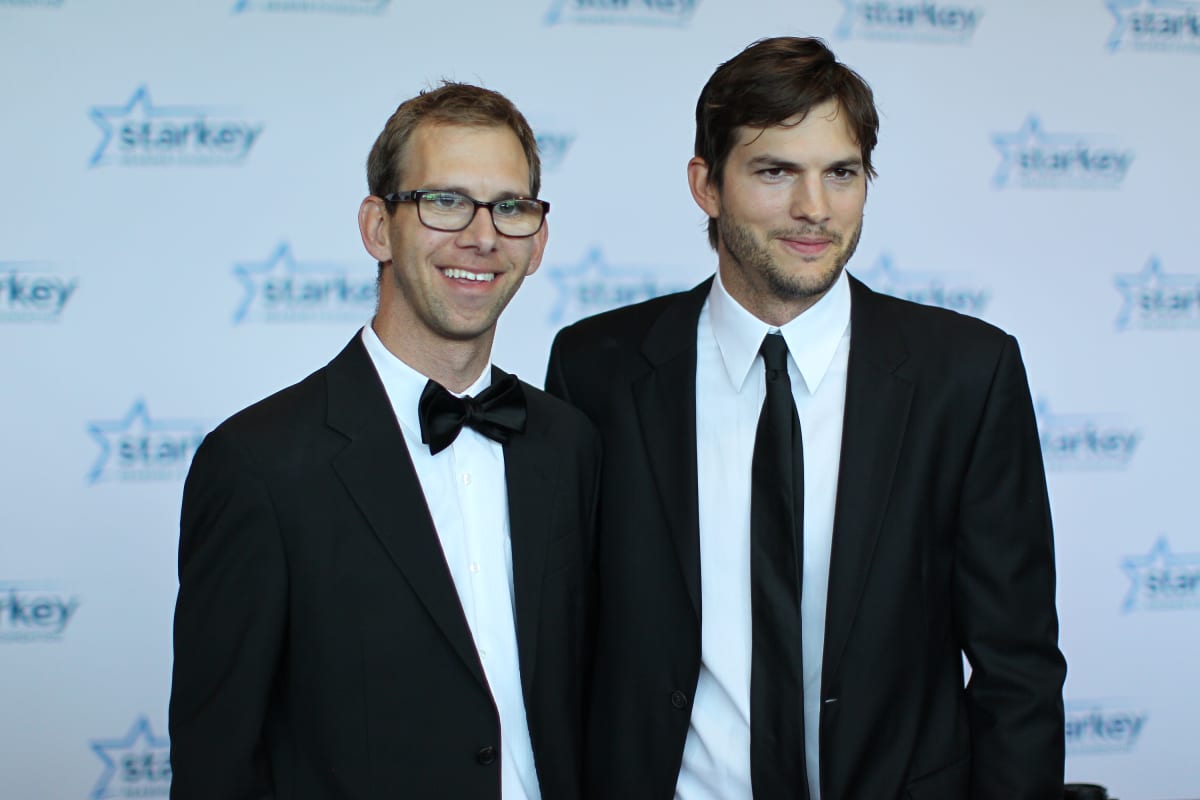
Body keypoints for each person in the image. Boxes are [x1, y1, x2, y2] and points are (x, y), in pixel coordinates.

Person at [546, 37, 1066, 799]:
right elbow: (564, 640)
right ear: (706, 185)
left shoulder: (966, 374)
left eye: (841, 174)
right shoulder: (598, 367)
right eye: (774, 171)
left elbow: (1016, 667)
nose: (814, 209)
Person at [169, 82, 600, 800]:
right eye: (445, 201)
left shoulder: (571, 444)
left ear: (538, 240)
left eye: (510, 207)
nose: (482, 235)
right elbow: (219, 764)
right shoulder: (258, 465)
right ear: (378, 227)